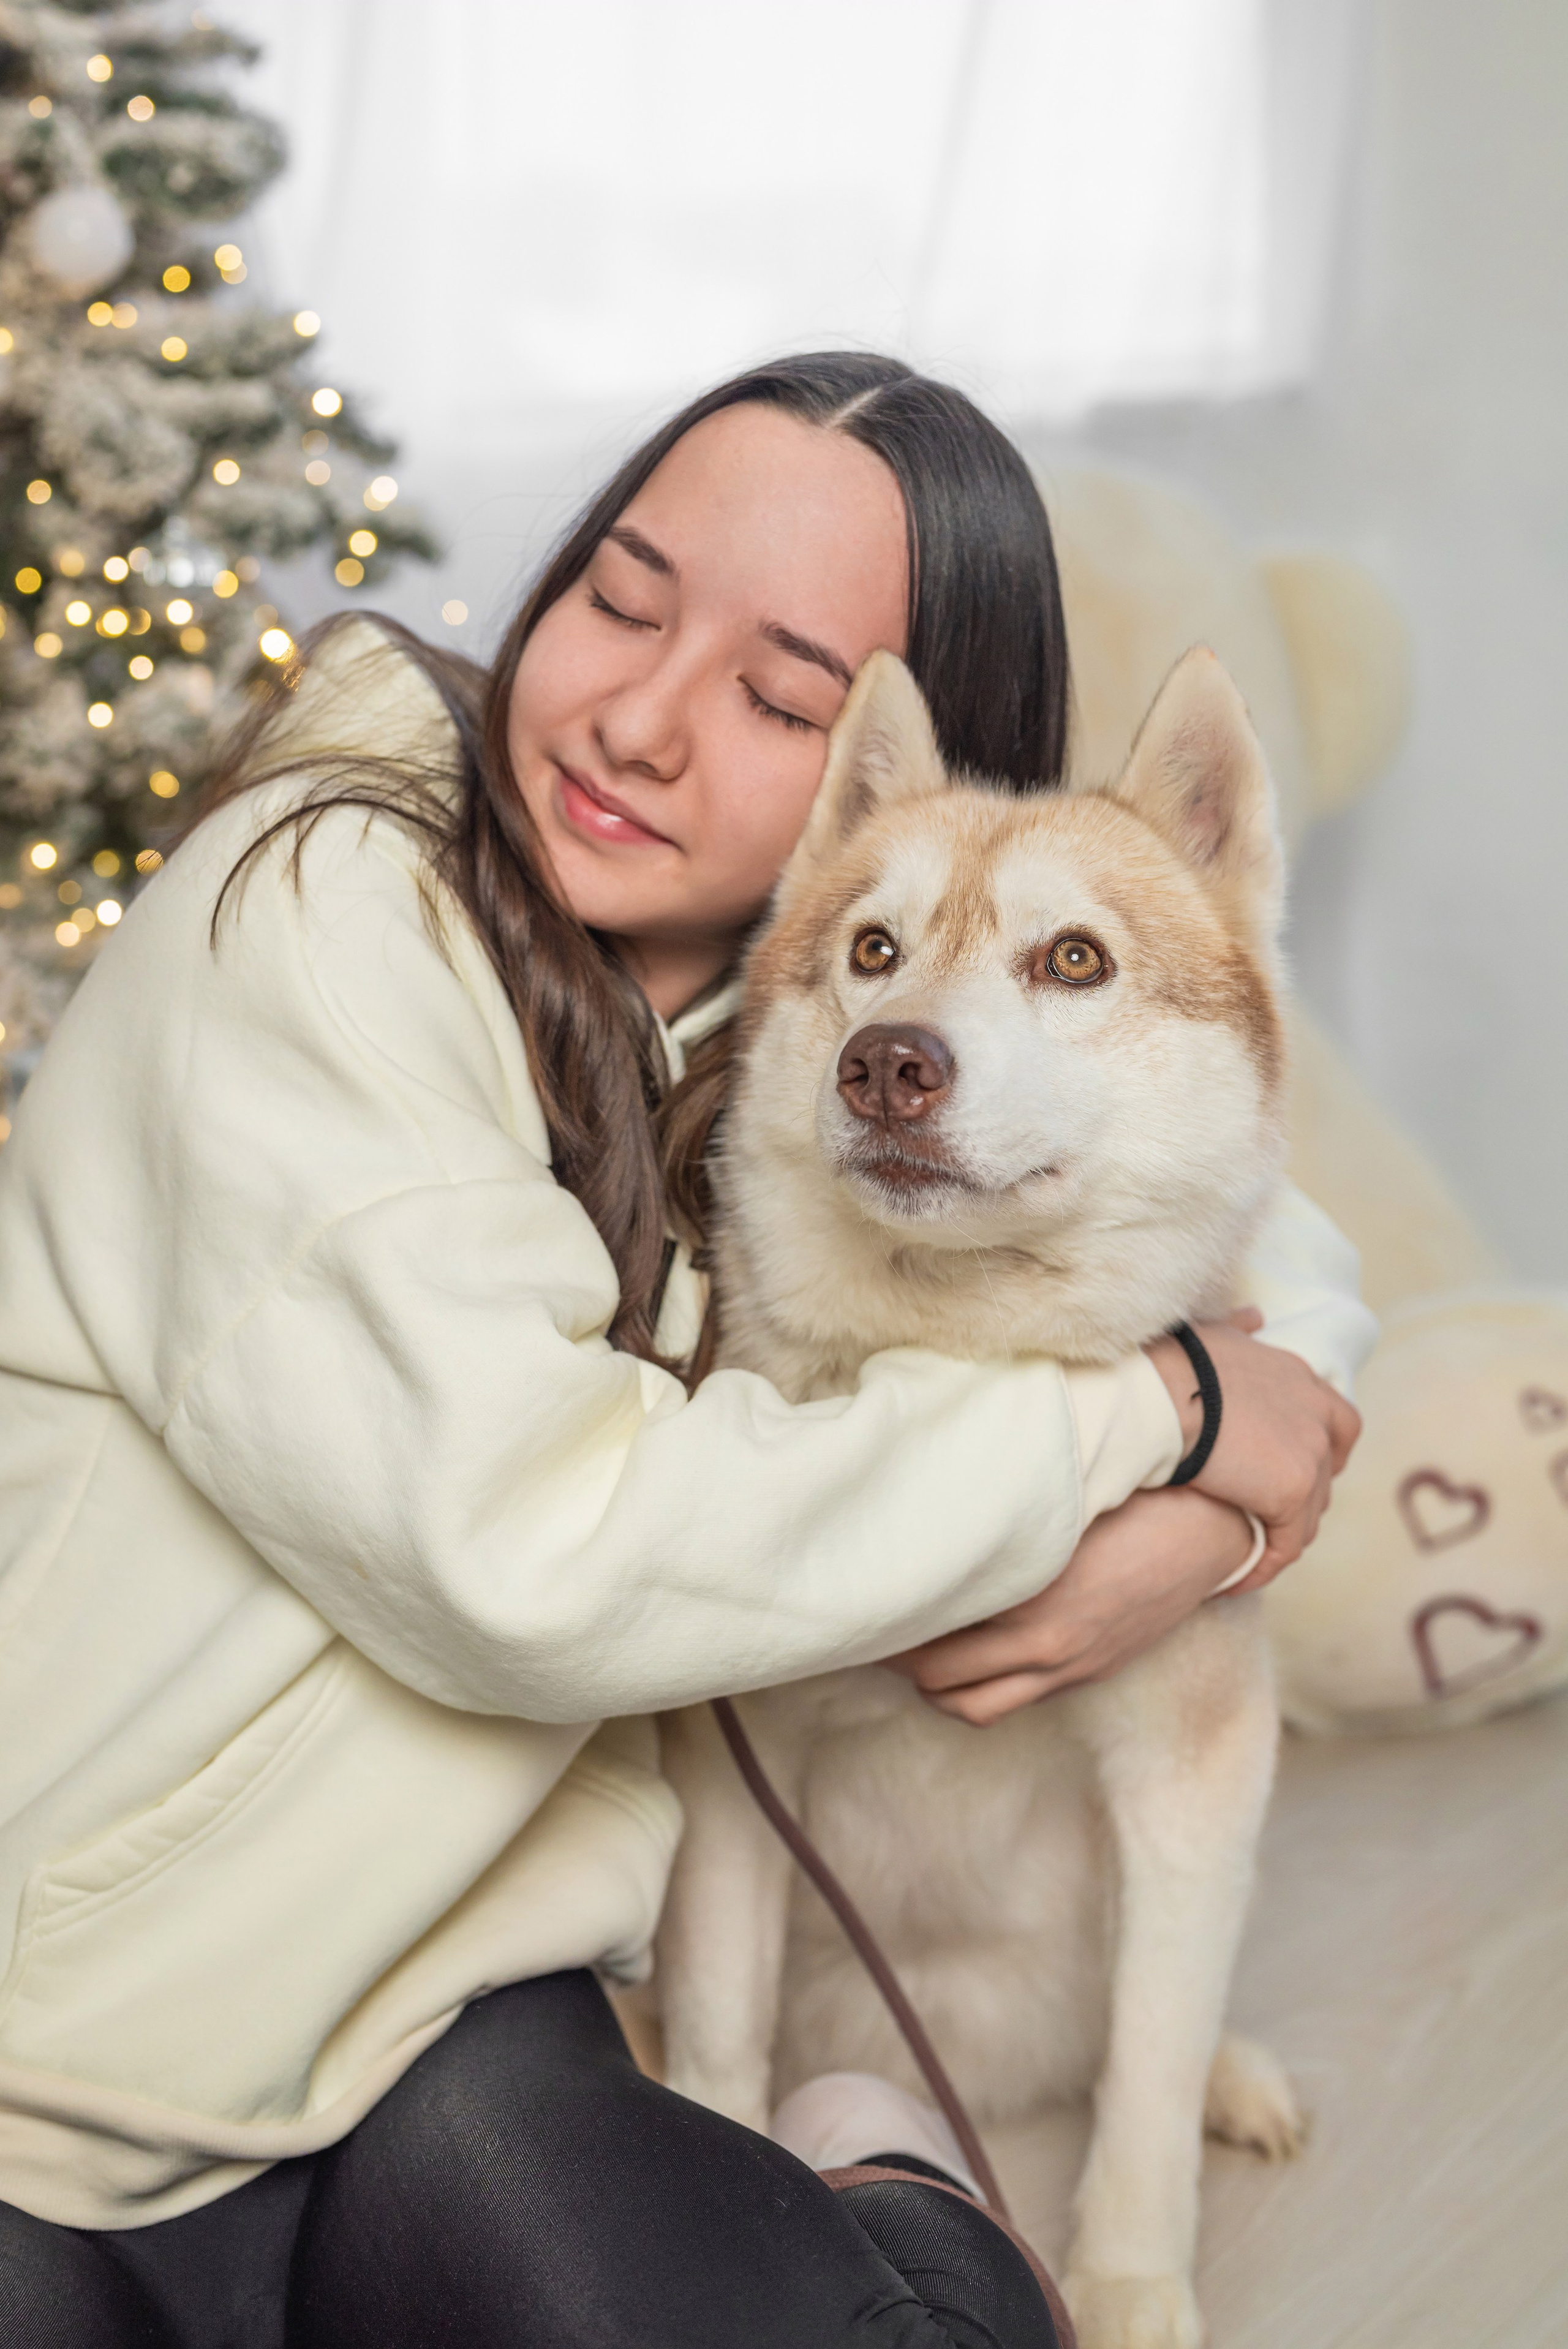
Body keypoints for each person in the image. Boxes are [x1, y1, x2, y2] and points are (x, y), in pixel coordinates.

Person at [0, 352, 1366, 2348]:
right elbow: (530, 1553)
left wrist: (1234, 1484)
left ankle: (868, 2160)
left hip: (443, 2017)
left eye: (781, 696)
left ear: (894, 792)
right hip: (64, 2056)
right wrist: (1172, 1413)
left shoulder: (797, 1017)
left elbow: (1243, 1213)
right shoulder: (317, 909)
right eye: (622, 600)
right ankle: (874, 2170)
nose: (638, 716)